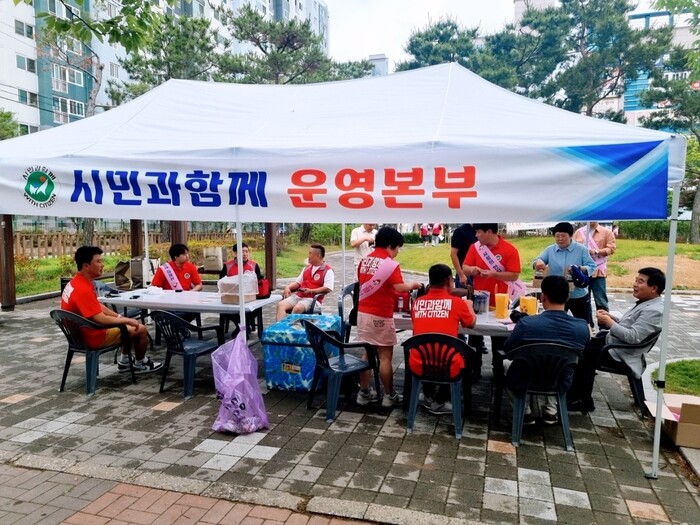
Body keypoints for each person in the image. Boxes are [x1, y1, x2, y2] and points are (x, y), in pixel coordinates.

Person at [568, 268, 665, 413]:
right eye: (636, 280)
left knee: (582, 355)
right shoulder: (647, 303)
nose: (635, 284)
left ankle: (581, 400)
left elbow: (633, 337)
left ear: (654, 288)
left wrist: (609, 323)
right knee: (578, 345)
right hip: (613, 343)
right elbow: (629, 325)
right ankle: (573, 394)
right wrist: (611, 317)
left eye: (640, 282)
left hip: (620, 352)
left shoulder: (654, 311)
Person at [503, 276, 590, 425]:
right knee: (558, 362)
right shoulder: (582, 327)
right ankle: (550, 411)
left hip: (526, 376)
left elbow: (508, 349)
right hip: (560, 379)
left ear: (542, 297)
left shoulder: (526, 323)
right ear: (568, 297)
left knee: (506, 364)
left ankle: (524, 412)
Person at [61, 246, 162, 373]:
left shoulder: (75, 282)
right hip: (92, 337)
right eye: (98, 262)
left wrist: (119, 317)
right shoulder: (83, 289)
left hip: (79, 334)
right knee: (140, 329)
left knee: (126, 324)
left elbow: (97, 306)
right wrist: (126, 321)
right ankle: (140, 364)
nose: (102, 265)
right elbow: (101, 319)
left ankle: (125, 361)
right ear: (86, 266)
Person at [356, 227, 422, 408]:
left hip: (363, 313)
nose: (397, 252)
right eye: (398, 247)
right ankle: (389, 395)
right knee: (385, 357)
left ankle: (364, 392)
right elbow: (400, 287)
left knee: (367, 353)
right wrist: (413, 284)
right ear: (391, 245)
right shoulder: (390, 264)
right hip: (380, 315)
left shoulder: (364, 261)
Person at [411, 263, 477, 414]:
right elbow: (471, 323)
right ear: (449, 281)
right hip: (447, 367)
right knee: (457, 353)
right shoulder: (457, 303)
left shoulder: (417, 303)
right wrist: (469, 306)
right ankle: (441, 400)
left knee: (429, 348)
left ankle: (427, 395)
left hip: (419, 364)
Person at [462, 223, 522, 377]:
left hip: (500, 302)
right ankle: (474, 370)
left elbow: (514, 275)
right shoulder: (475, 247)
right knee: (474, 338)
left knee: (499, 340)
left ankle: (498, 372)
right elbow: (465, 267)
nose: (476, 235)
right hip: (479, 301)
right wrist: (472, 270)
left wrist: (493, 274)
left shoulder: (509, 249)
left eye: (478, 232)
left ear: (489, 231)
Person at [533, 222, 596, 326]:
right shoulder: (550, 250)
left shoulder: (581, 249)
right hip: (556, 295)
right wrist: (538, 263)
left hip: (577, 293)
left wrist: (579, 268)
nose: (560, 239)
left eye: (563, 236)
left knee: (583, 322)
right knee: (555, 323)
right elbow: (538, 260)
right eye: (557, 236)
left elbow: (592, 266)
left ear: (571, 236)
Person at [276, 243, 334, 321]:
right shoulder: (307, 268)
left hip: (313, 299)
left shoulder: (327, 270)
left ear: (318, 256)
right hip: (298, 296)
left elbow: (328, 288)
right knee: (281, 305)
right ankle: (281, 327)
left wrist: (311, 291)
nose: (308, 256)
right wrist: (288, 287)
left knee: (297, 309)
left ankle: (292, 327)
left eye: (310, 254)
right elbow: (298, 283)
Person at [219, 242, 263, 334]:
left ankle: (242, 328)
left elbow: (259, 283)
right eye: (242, 251)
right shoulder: (227, 266)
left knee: (253, 310)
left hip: (249, 299)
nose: (245, 254)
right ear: (235, 253)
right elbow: (222, 283)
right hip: (232, 300)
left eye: (247, 251)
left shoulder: (254, 265)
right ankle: (243, 327)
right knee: (228, 311)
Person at [573, 222, 616, 312]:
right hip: (583, 271)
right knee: (583, 300)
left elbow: (611, 248)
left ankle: (604, 320)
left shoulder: (607, 232)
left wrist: (597, 251)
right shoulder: (579, 232)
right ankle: (587, 320)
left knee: (601, 301)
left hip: (598, 271)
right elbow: (573, 247)